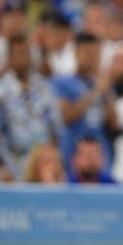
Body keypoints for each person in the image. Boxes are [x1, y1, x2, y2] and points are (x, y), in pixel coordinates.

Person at [0, 35, 62, 180]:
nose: (22, 58)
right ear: (9, 58)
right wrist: (2, 170)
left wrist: (49, 163)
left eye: (25, 53)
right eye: (18, 54)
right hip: (8, 169)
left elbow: (56, 130)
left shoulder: (45, 88)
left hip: (41, 170)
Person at [51, 32, 117, 161]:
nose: (92, 58)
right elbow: (66, 117)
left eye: (96, 54)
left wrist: (106, 93)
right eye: (87, 53)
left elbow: (114, 123)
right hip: (72, 152)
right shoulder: (61, 82)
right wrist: (95, 93)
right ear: (76, 53)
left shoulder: (102, 83)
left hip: (100, 154)